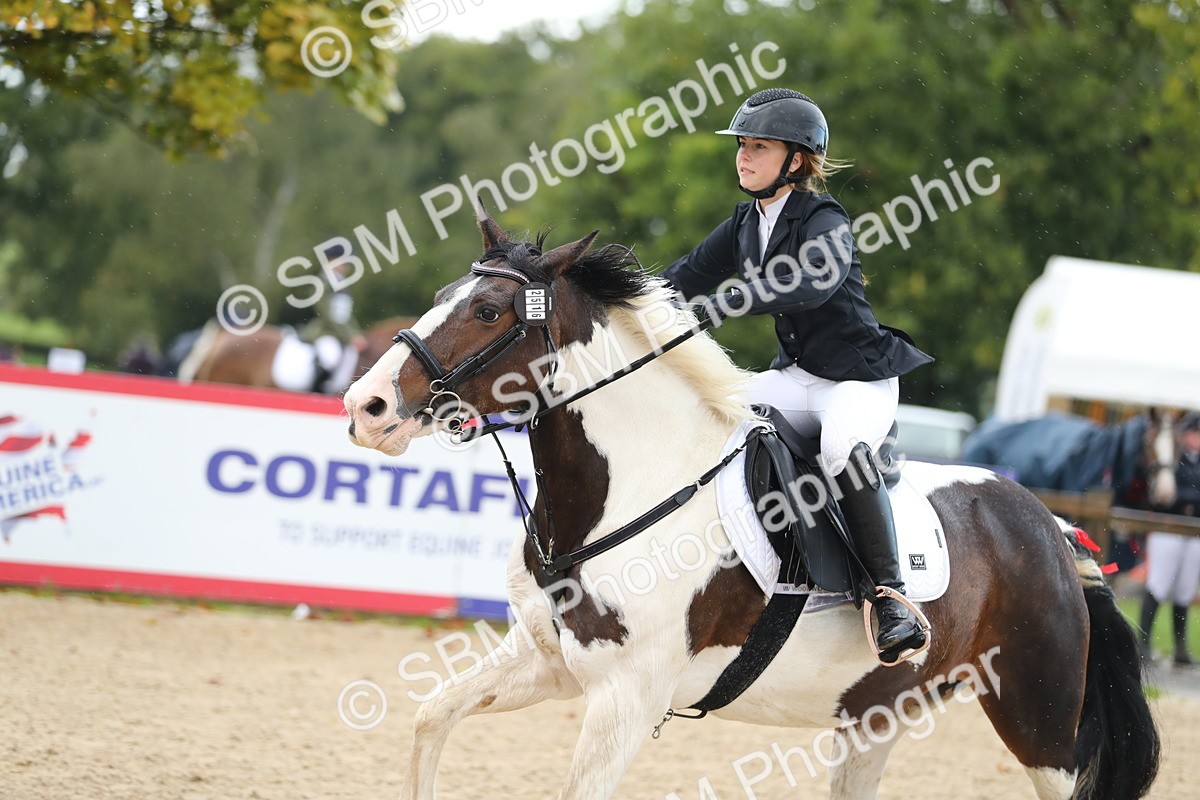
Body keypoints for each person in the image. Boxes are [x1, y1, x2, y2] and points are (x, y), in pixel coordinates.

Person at [662, 88, 934, 663]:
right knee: (715, 413)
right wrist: (615, 302)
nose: (743, 157)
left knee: (839, 446)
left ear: (796, 160)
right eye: (741, 146)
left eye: (758, 147)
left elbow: (813, 284)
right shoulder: (744, 223)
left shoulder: (824, 218)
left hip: (859, 379)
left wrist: (731, 299)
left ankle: (889, 598)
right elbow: (682, 277)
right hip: (800, 375)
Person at [1139, 411, 1200, 666]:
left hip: (1194, 531)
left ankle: (1180, 648)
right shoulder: (1173, 458)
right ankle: (1142, 642)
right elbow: (1164, 493)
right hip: (1170, 526)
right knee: (1159, 583)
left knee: (1185, 589)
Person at [300, 242, 368, 394]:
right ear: (331, 260)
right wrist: (349, 335)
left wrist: (356, 334)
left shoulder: (342, 284)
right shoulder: (322, 283)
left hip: (341, 334)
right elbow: (325, 314)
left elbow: (345, 315)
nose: (346, 265)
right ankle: (316, 391)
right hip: (325, 332)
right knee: (331, 357)